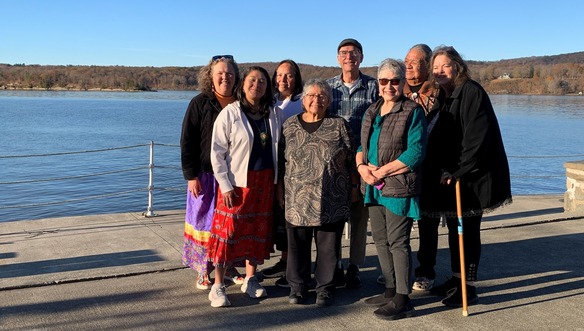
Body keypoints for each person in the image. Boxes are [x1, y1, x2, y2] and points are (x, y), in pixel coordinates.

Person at [422, 46, 512, 307]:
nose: (439, 71)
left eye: (445, 66)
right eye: (435, 68)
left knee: (468, 233)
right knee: (454, 231)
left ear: (457, 67)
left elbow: (477, 138)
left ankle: (468, 287)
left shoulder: (471, 91)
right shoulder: (444, 95)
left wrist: (458, 171)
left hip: (472, 179)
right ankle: (456, 279)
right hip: (450, 179)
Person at [356, 59, 427, 320]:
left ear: (403, 83)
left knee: (398, 242)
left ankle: (402, 298)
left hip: (398, 187)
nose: (389, 86)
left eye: (395, 81)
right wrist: (363, 169)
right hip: (373, 186)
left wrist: (381, 171)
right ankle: (389, 288)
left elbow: (416, 152)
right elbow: (361, 146)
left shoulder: (412, 111)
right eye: (384, 81)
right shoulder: (371, 111)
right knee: (381, 240)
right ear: (377, 84)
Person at [206, 66, 281, 307]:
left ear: (267, 87)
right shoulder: (230, 113)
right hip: (238, 183)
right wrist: (225, 185)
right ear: (243, 84)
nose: (256, 85)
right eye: (252, 80)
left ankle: (250, 279)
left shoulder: (274, 113)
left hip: (265, 182)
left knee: (257, 232)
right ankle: (217, 285)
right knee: (227, 233)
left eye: (262, 81)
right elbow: (216, 152)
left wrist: (278, 184)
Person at [278, 79, 356, 307]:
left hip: (331, 198)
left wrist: (353, 188)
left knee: (328, 248)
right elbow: (280, 161)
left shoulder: (339, 124)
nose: (316, 99)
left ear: (329, 101)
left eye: (322, 96)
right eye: (311, 95)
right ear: (303, 100)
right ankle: (298, 287)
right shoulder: (290, 125)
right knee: (296, 247)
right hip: (296, 198)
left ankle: (325, 289)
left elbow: (352, 158)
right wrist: (279, 189)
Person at [377, 44, 440, 288]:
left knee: (427, 222)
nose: (409, 65)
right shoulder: (394, 87)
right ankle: (397, 273)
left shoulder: (437, 92)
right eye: (407, 60)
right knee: (396, 228)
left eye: (415, 61)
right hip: (395, 170)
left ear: (427, 64)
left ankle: (425, 271)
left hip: (429, 166)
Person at [180, 55, 244, 291]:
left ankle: (230, 266)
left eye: (229, 73)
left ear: (236, 76)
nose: (225, 77)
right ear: (211, 76)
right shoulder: (200, 103)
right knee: (203, 222)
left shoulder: (242, 103)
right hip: (205, 176)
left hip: (234, 177)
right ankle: (202, 269)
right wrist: (191, 176)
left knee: (230, 223)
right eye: (220, 73)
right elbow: (187, 141)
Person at [327, 38, 379, 288]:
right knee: (334, 217)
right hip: (334, 164)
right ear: (338, 58)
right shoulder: (328, 88)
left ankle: (355, 266)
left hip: (364, 162)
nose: (349, 57)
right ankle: (333, 263)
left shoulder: (374, 86)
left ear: (361, 57)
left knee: (360, 218)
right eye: (344, 53)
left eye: (354, 53)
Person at [260, 59, 303, 288]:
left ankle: (294, 267)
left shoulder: (301, 102)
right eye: (278, 75)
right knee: (280, 220)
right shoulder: (274, 102)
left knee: (292, 220)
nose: (282, 80)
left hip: (294, 171)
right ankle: (284, 261)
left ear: (296, 77)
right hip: (275, 169)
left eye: (288, 75)